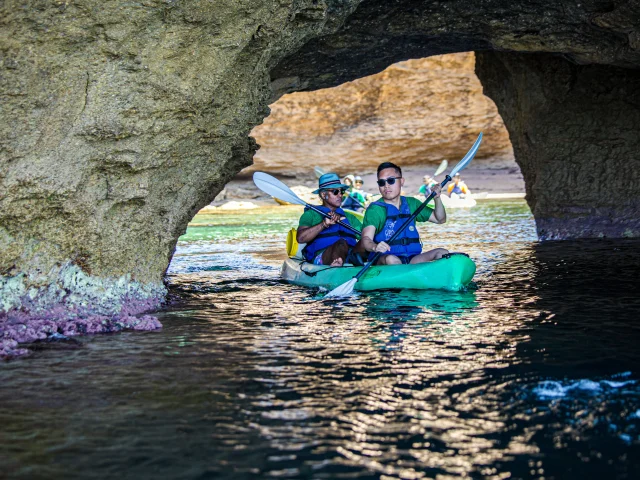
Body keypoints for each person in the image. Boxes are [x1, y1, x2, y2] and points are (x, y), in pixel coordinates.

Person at [361, 162, 449, 265]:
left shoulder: (412, 203)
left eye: (391, 180)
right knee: (392, 260)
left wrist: (437, 198)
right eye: (381, 182)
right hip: (385, 259)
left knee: (442, 253)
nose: (386, 186)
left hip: (412, 259)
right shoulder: (375, 209)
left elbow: (440, 219)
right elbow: (366, 239)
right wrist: (374, 247)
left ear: (401, 181)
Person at [297, 173, 365, 267]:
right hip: (323, 257)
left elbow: (365, 238)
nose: (340, 195)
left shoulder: (350, 217)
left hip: (350, 255)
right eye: (335, 192)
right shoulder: (310, 215)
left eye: (342, 192)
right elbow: (301, 238)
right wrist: (324, 224)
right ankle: (337, 263)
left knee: (366, 240)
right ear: (324, 194)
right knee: (341, 243)